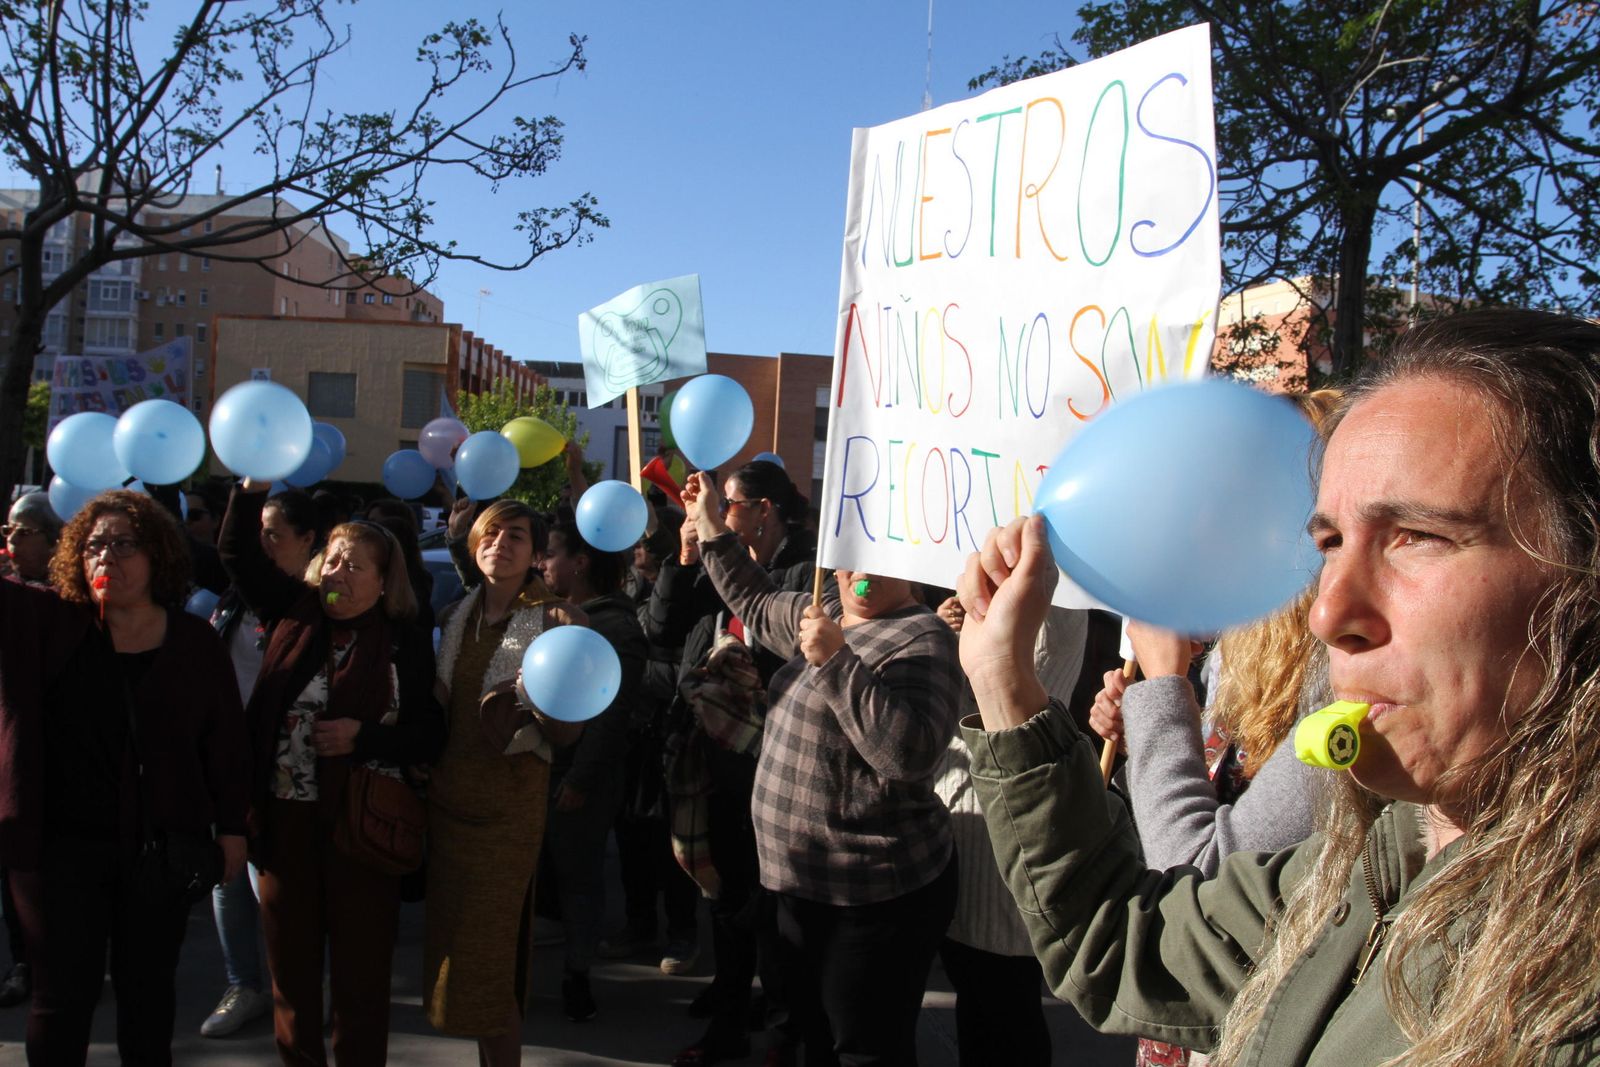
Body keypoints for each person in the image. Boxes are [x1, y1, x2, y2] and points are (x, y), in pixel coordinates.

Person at [955, 309, 1600, 1066]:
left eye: (1417, 536)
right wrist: (1004, 682)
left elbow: (1188, 865)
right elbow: (1133, 943)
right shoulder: (1371, 857)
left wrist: (1162, 690)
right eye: (1329, 542)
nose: (1329, 613)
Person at [681, 471, 962, 1067]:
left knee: (863, 1049)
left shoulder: (925, 637)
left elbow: (909, 754)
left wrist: (836, 660)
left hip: (869, 898)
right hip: (796, 886)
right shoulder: (826, 608)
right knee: (804, 1035)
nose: (858, 572)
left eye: (877, 557)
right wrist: (709, 523)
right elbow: (756, 599)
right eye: (848, 556)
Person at [0, 489, 249, 1065]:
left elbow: (225, 744)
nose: (106, 556)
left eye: (123, 544)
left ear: (157, 553)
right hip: (59, 849)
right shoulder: (50, 622)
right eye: (93, 545)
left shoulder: (194, 642)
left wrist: (233, 828)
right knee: (60, 1000)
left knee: (148, 997)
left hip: (159, 851)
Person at [220, 481, 445, 1067]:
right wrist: (252, 487)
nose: (338, 572)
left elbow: (429, 734)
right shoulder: (293, 612)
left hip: (363, 829)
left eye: (355, 565)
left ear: (383, 582)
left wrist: (362, 737)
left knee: (360, 981)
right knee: (292, 975)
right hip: (285, 824)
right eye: (333, 559)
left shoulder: (404, 640)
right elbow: (237, 554)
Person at [651, 460, 816, 1067]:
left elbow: (789, 645)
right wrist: (686, 557)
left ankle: (783, 1028)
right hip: (715, 757)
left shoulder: (805, 572)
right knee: (727, 895)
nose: (718, 515)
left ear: (764, 511)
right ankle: (729, 1008)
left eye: (729, 505)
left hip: (775, 759)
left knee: (774, 906)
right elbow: (663, 629)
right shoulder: (714, 563)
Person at [423, 500, 586, 1066]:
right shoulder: (454, 614)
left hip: (507, 813)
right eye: (490, 533)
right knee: (456, 954)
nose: (500, 544)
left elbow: (568, 734)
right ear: (474, 545)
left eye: (516, 535)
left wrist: (536, 698)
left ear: (537, 554)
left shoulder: (560, 621)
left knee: (487, 960)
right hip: (447, 805)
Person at [200, 488, 326, 1039]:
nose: (261, 545)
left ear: (308, 540)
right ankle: (243, 985)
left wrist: (247, 489)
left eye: (273, 534)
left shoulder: (310, 604)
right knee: (226, 876)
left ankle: (296, 988)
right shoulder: (235, 597)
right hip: (226, 756)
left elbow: (232, 549)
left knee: (272, 884)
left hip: (281, 766)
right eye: (258, 534)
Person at [537, 520, 647, 1022]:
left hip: (580, 776)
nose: (542, 563)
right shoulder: (549, 614)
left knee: (579, 876)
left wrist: (581, 778)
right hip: (544, 765)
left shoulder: (614, 627)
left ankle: (577, 976)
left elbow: (611, 716)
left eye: (551, 553)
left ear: (580, 562)